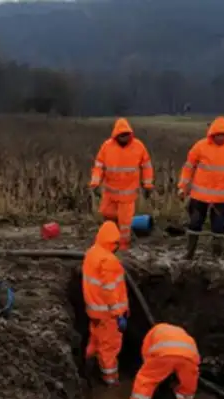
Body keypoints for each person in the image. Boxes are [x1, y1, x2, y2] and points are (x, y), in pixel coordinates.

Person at [178, 116, 224, 259]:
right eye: (218, 135)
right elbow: (188, 168)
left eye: (223, 135)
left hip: (222, 198)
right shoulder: (200, 146)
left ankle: (216, 257)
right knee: (195, 223)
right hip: (199, 196)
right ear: (212, 134)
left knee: (218, 227)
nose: (220, 137)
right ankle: (189, 253)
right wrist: (182, 187)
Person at [90, 118, 154, 251]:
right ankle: (108, 244)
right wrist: (95, 183)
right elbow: (99, 166)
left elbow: (147, 166)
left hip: (128, 195)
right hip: (110, 193)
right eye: (122, 135)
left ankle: (123, 248)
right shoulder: (107, 146)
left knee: (125, 224)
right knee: (108, 218)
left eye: (126, 135)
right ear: (116, 135)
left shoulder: (138, 146)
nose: (124, 137)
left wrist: (147, 185)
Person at [82, 221, 129, 385]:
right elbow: (110, 290)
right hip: (108, 315)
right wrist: (118, 315)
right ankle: (111, 382)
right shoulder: (109, 261)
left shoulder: (91, 253)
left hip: (94, 311)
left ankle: (87, 369)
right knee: (109, 348)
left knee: (95, 341)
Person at [130, 323, 200, 399]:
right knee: (188, 382)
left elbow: (146, 354)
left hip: (164, 355)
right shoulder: (182, 332)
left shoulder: (154, 331)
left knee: (146, 378)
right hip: (189, 357)